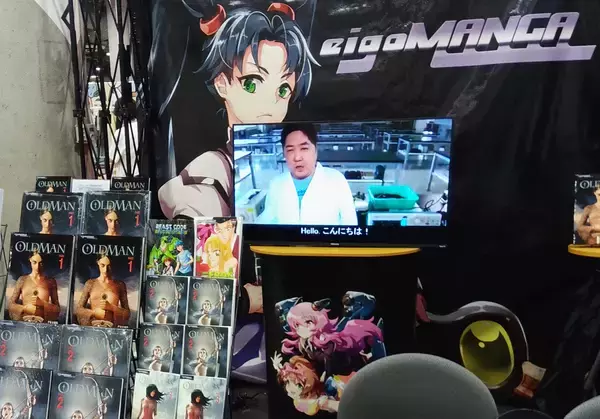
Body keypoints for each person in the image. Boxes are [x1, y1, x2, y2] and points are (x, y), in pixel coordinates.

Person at [156, 3, 317, 219]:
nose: (270, 102)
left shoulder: (284, 170)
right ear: (222, 84)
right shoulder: (210, 171)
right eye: (252, 83)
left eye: (283, 89)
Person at [259, 124, 358, 225]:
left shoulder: (337, 180)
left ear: (315, 150)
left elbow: (350, 224)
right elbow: (268, 223)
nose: (297, 157)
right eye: (290, 150)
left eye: (304, 148)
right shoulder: (276, 184)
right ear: (284, 153)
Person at [75, 254, 130, 327]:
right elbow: (78, 309)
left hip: (111, 328)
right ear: (98, 263)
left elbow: (127, 313)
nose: (105, 270)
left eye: (108, 266)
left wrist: (112, 307)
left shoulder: (119, 285)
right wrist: (94, 313)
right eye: (102, 265)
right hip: (93, 327)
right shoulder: (90, 283)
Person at [8, 250, 60, 323]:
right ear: (30, 261)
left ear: (44, 263)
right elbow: (11, 304)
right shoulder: (22, 280)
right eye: (34, 262)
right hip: (24, 322)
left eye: (40, 263)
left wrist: (43, 304)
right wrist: (25, 308)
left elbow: (57, 309)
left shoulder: (50, 282)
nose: (37, 267)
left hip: (42, 323)